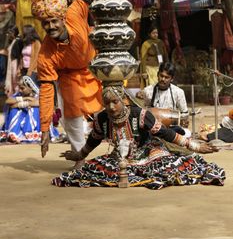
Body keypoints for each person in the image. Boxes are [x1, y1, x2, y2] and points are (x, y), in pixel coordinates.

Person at [31, 0, 113, 159]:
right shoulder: (46, 53)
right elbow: (46, 91)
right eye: (46, 24)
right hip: (70, 80)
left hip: (97, 69)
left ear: (61, 18)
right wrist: (45, 128)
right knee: (73, 116)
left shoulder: (76, 11)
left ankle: (118, 152)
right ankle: (80, 156)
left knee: (113, 109)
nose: (50, 27)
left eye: (54, 22)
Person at [51, 85, 224, 189]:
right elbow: (93, 141)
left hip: (147, 152)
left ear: (124, 100)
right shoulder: (102, 119)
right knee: (91, 170)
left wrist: (196, 147)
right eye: (107, 103)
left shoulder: (140, 114)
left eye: (115, 102)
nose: (111, 107)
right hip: (119, 157)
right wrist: (79, 155)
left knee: (167, 169)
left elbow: (166, 133)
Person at [137, 62, 190, 137]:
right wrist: (139, 98)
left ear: (172, 79)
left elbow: (184, 114)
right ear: (157, 74)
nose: (163, 79)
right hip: (153, 128)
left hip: (172, 129)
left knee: (187, 133)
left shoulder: (178, 92)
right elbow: (142, 111)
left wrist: (183, 120)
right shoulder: (148, 91)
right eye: (161, 76)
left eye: (166, 77)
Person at [0, 76, 59, 143]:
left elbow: (40, 103)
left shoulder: (38, 94)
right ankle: (14, 134)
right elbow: (8, 101)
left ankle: (30, 133)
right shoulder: (19, 94)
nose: (20, 90)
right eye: (19, 88)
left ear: (30, 88)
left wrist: (22, 104)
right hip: (22, 117)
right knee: (14, 110)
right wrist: (25, 99)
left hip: (35, 121)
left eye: (22, 88)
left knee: (34, 109)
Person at [140, 22, 168, 88]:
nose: (155, 35)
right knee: (153, 86)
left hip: (160, 67)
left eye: (156, 33)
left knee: (161, 85)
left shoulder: (161, 42)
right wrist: (144, 72)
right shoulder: (146, 44)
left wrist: (166, 67)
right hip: (150, 69)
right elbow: (143, 58)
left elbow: (165, 55)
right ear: (149, 34)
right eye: (153, 33)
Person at [5, 25, 23, 96]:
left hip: (15, 64)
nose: (8, 35)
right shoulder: (13, 41)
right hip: (11, 63)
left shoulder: (18, 41)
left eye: (9, 33)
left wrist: (19, 67)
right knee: (12, 81)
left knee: (15, 81)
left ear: (13, 32)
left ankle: (17, 96)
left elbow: (20, 55)